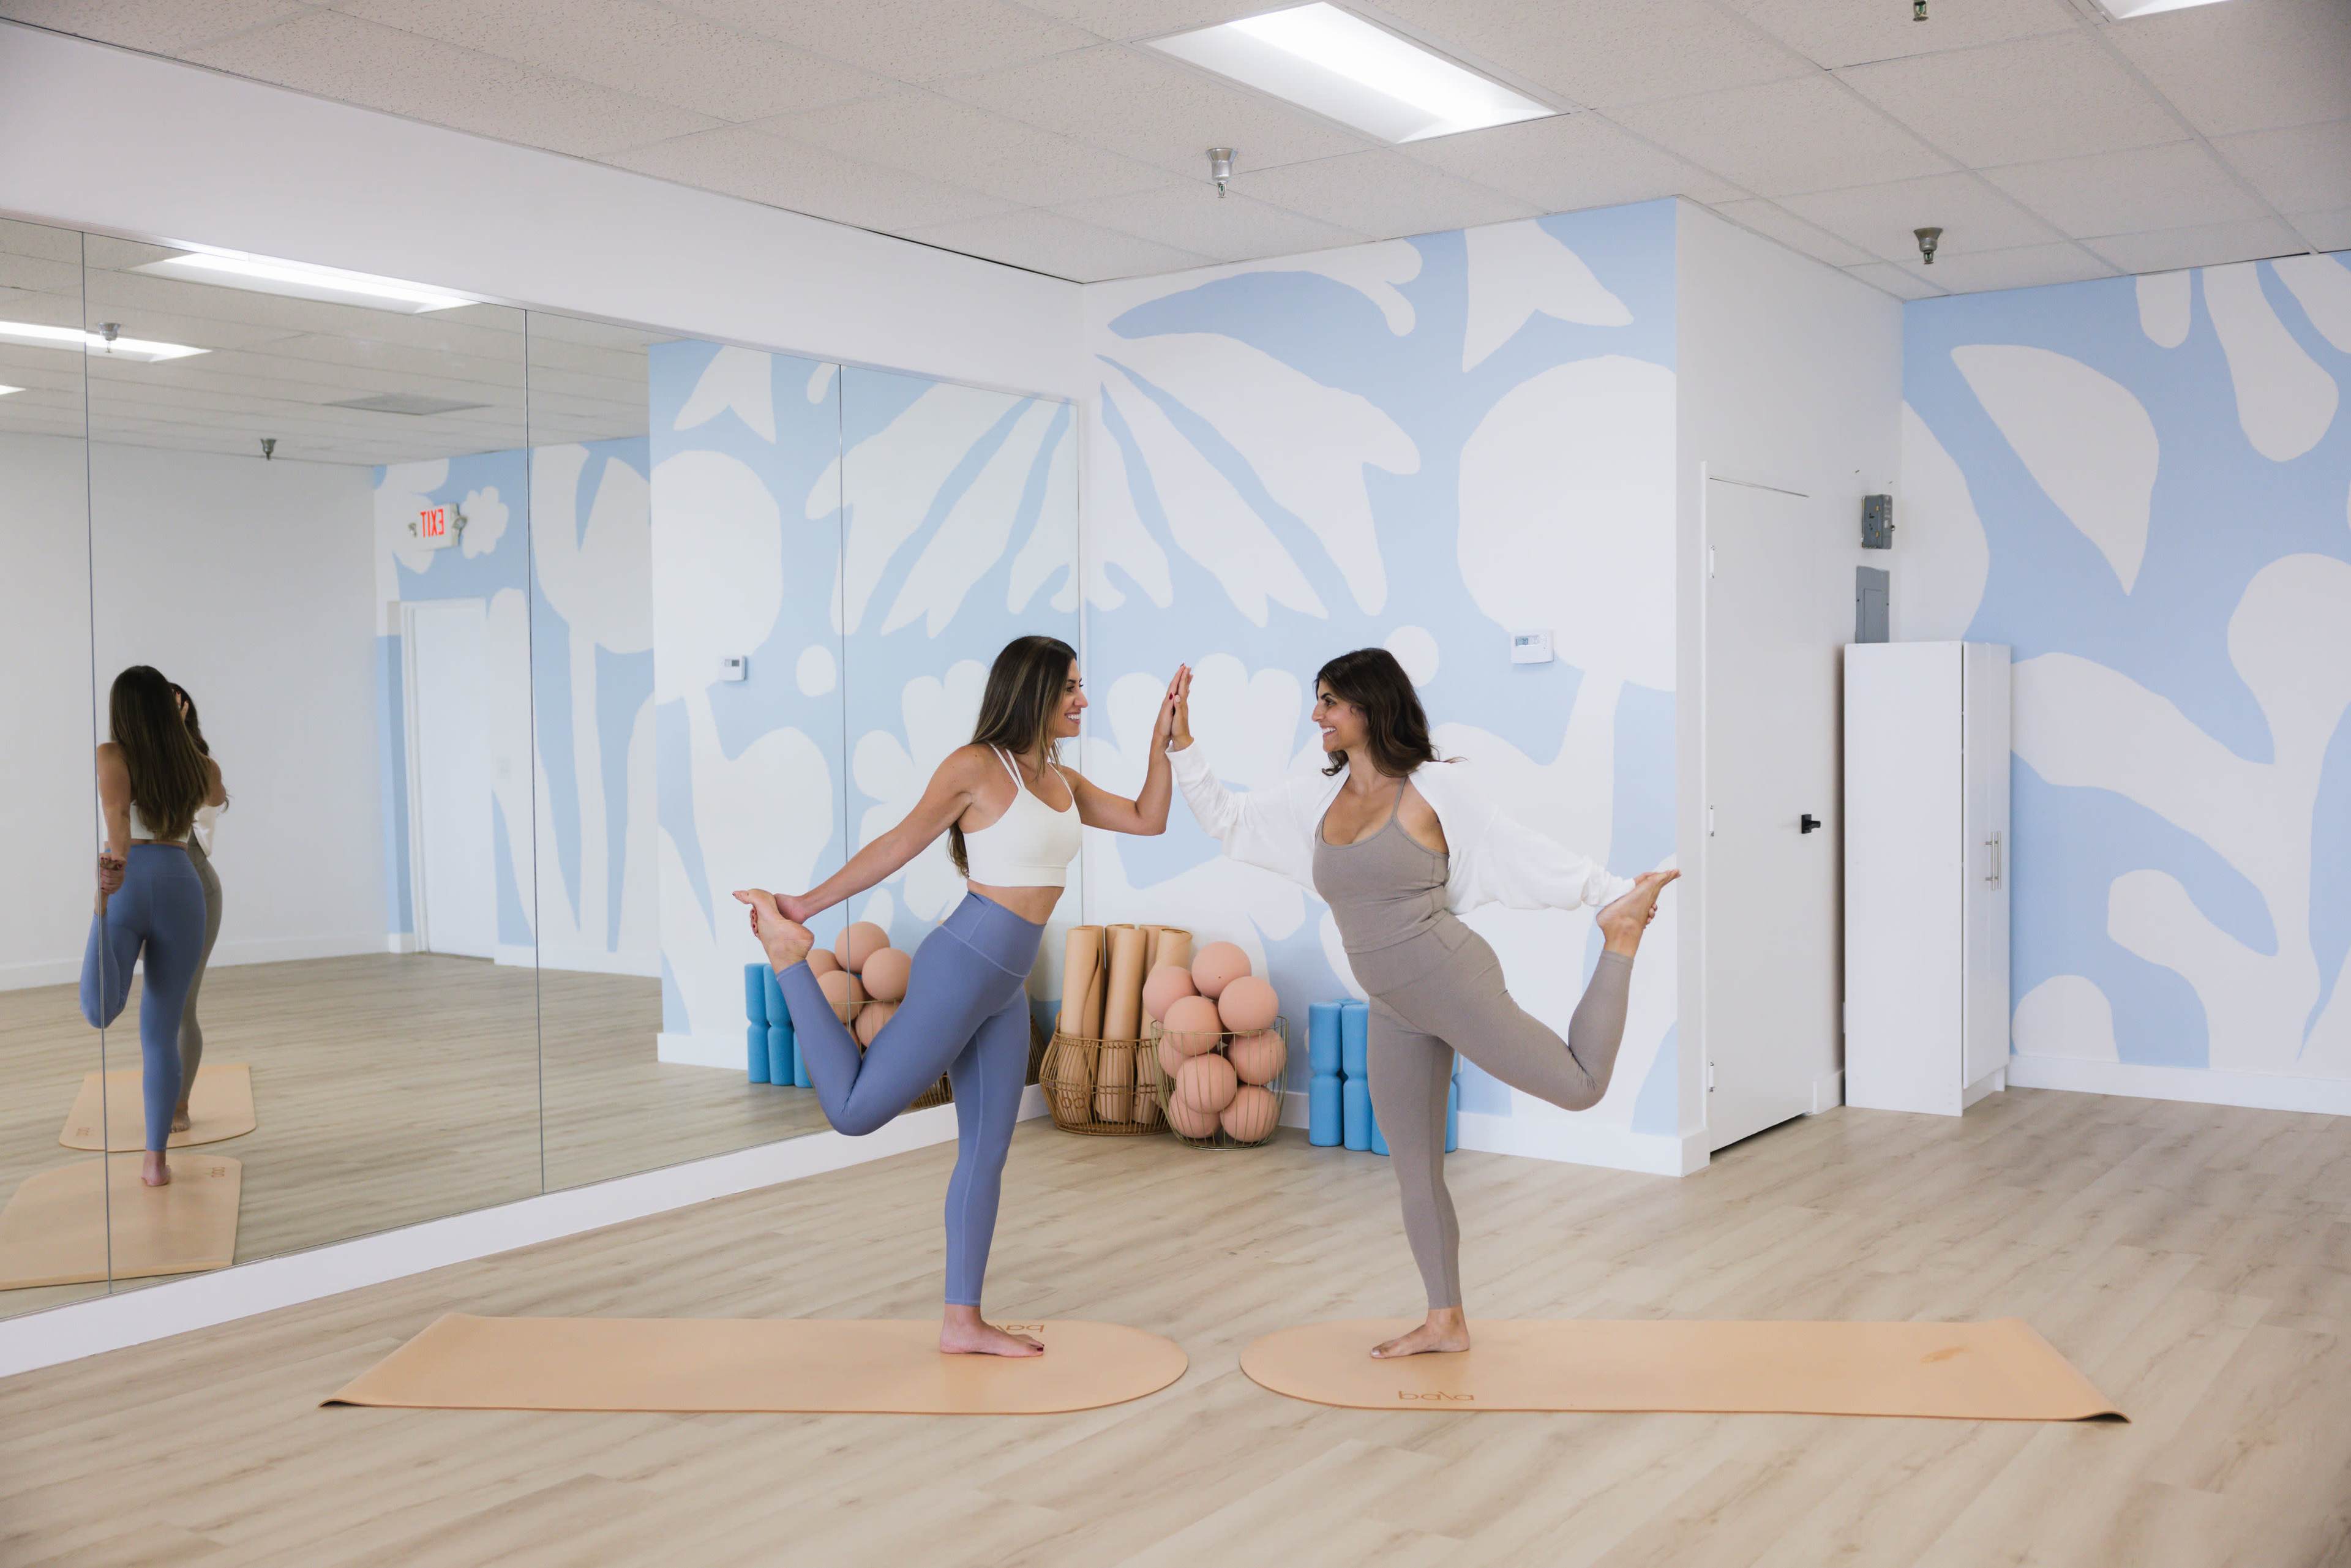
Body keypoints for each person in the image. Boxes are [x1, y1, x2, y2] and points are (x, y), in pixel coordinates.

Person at [1164, 650, 1676, 1359]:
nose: (1317, 715)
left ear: (1370, 706)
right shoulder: (1315, 798)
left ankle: (1620, 939)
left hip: (1450, 977)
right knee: (1414, 1167)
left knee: (1581, 1087)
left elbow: (1513, 848)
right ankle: (1446, 1320)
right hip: (1392, 1004)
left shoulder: (1437, 789)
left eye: (1330, 701)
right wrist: (1182, 744)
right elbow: (1228, 819)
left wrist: (1608, 889)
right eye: (1318, 701)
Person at [735, 636, 1185, 1357]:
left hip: (1005, 981)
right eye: (1070, 686)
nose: (1081, 699)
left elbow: (1146, 818)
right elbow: (897, 843)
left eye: (1081, 684)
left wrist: (1163, 743)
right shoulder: (977, 766)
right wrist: (805, 906)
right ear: (1032, 689)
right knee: (853, 1113)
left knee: (986, 1151)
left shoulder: (1061, 779)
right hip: (964, 961)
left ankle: (962, 1320)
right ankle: (791, 962)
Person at [82, 666, 226, 1186]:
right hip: (181, 883)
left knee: (101, 1008)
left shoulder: (111, 755)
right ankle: (155, 1163)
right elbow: (217, 795)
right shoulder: (194, 759)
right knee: (160, 1029)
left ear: (122, 709)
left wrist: (110, 878)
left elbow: (118, 818)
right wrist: (186, 739)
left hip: (130, 877)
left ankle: (156, 1157)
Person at [167, 681, 225, 1135]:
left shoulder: (201, 766)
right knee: (159, 1002)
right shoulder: (127, 762)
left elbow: (209, 794)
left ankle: (180, 1105)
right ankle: (165, 1094)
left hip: (195, 884)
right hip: (153, 888)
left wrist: (177, 731)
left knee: (184, 1004)